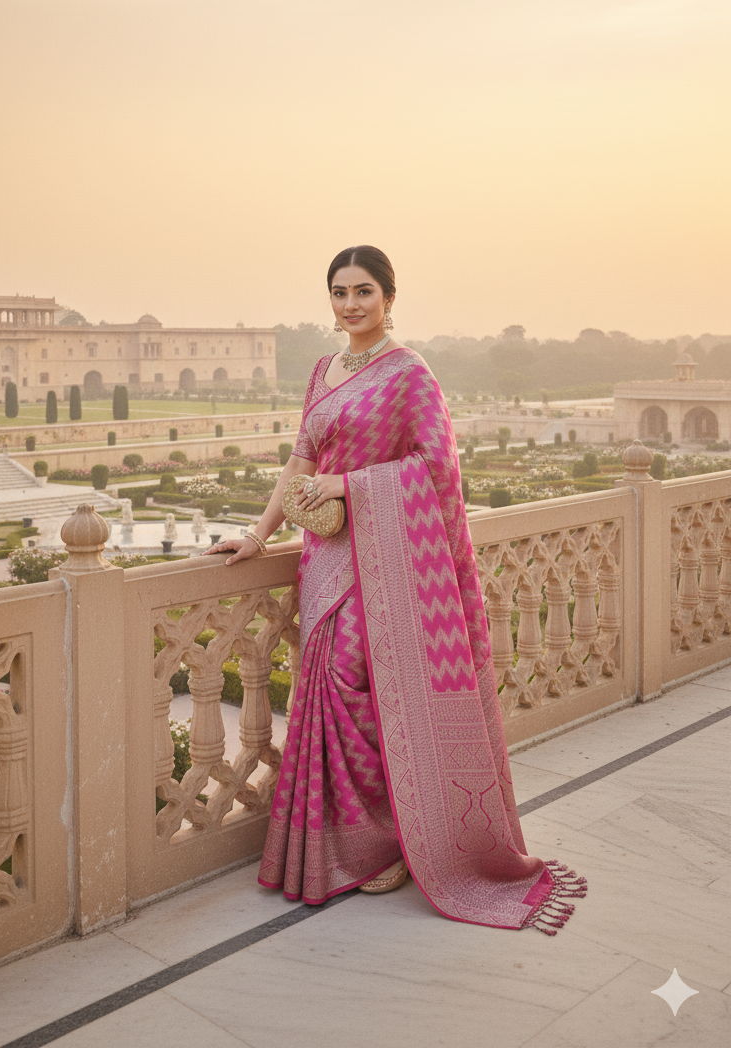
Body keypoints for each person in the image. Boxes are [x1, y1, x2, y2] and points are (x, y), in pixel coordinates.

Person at [204, 245, 585, 934]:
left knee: (360, 687)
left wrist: (349, 485)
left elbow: (436, 469)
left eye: (363, 292)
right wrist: (259, 536)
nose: (350, 305)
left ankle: (389, 843)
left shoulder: (410, 374)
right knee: (325, 684)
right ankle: (337, 844)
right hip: (325, 555)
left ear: (389, 297)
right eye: (339, 292)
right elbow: (300, 458)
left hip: (389, 557)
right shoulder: (324, 370)